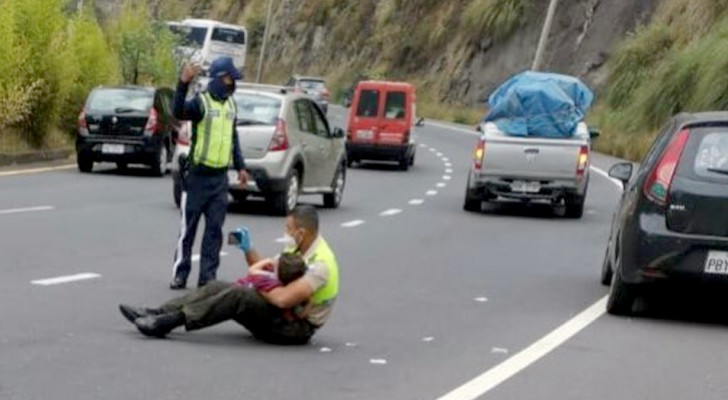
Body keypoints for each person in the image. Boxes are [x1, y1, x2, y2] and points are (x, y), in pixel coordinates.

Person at [119, 205, 340, 345]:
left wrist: (255, 284)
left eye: (288, 229)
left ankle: (169, 322)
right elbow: (265, 273)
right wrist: (248, 249)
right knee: (217, 286)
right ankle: (157, 312)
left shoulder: (320, 264)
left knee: (238, 294)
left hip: (293, 328)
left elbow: (282, 299)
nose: (286, 233)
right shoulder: (296, 249)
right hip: (279, 314)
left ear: (301, 233)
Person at [170, 56, 250, 289]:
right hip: (197, 177)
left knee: (214, 232)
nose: (233, 83)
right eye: (229, 78)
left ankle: (207, 278)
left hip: (219, 179)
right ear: (217, 79)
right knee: (188, 230)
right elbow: (178, 111)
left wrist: (241, 166)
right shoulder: (201, 103)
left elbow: (233, 140)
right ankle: (180, 273)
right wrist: (183, 83)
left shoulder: (231, 106)